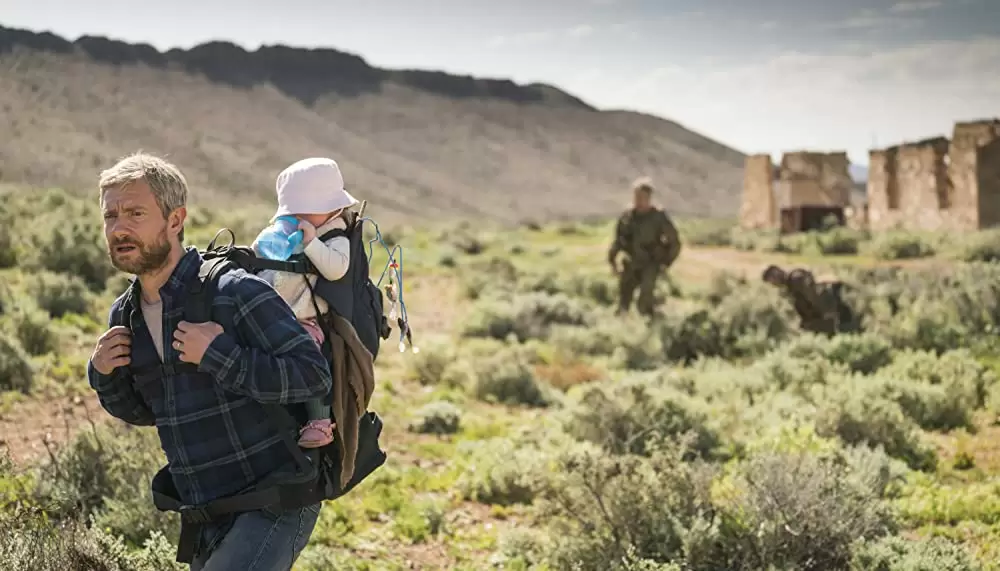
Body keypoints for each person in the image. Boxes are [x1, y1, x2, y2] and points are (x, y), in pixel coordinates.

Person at [87, 152, 333, 570]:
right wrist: (104, 376)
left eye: (135, 213)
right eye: (111, 215)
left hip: (276, 497)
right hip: (206, 512)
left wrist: (221, 355)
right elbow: (151, 410)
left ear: (175, 219)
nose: (119, 227)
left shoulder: (232, 291)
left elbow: (312, 375)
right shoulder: (124, 316)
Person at [251, 157, 358, 449]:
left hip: (306, 320)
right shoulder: (289, 231)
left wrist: (311, 243)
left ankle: (319, 421)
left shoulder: (335, 236)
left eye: (304, 211)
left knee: (308, 356)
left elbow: (337, 268)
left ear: (331, 208)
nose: (297, 218)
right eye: (292, 212)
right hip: (273, 313)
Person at [607, 177, 682, 317]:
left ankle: (650, 327)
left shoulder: (658, 217)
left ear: (649, 198)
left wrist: (666, 262)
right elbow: (618, 240)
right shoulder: (627, 216)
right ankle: (621, 329)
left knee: (644, 301)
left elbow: (674, 242)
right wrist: (612, 260)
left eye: (642, 197)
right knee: (623, 301)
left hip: (650, 264)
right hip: (631, 263)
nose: (638, 200)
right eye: (636, 196)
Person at [762, 264, 858, 335]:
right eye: (771, 281)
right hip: (822, 317)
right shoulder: (790, 285)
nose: (773, 283)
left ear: (777, 272)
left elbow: (814, 295)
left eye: (772, 278)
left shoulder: (796, 279)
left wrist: (828, 314)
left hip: (829, 316)